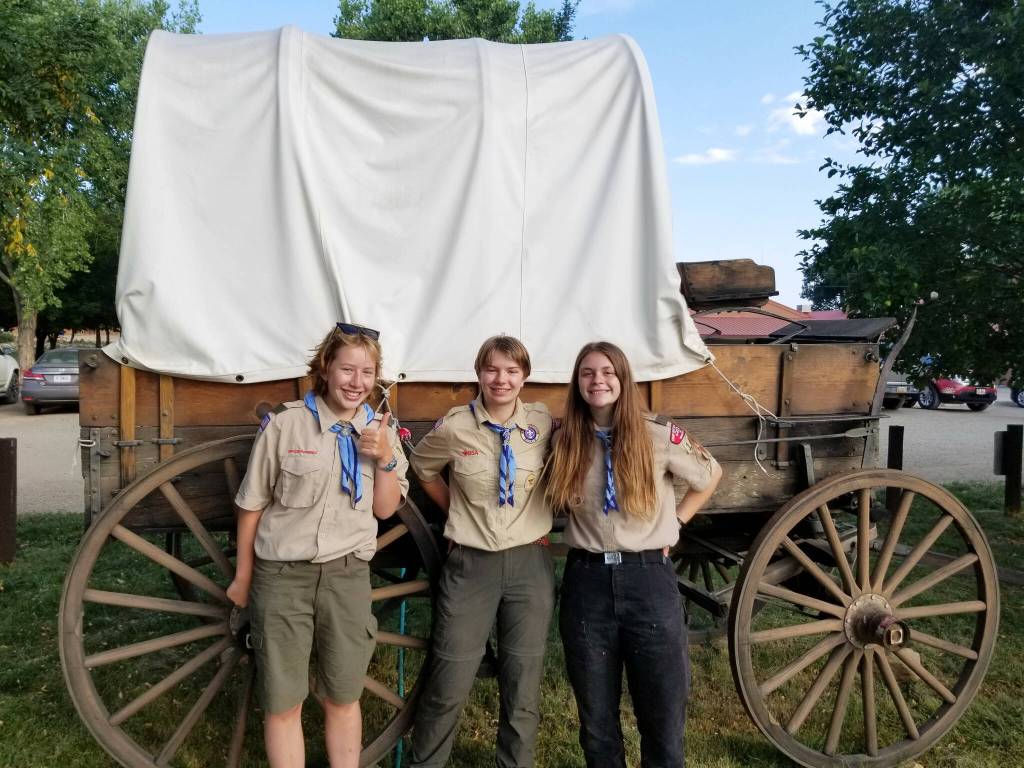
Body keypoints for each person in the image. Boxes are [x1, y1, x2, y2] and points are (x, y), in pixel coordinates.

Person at [226, 323, 409, 768]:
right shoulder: (287, 425)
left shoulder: (382, 430)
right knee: (283, 701)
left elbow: (385, 510)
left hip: (346, 577)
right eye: (347, 369)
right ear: (325, 369)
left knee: (343, 695)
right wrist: (244, 577)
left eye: (367, 373)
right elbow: (252, 506)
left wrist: (383, 456)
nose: (356, 382)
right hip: (283, 576)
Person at [546, 341, 722, 768]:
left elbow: (710, 473)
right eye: (587, 373)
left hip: (647, 580)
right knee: (597, 720)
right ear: (578, 382)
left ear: (624, 379)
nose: (597, 381)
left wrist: (677, 522)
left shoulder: (657, 433)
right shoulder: (564, 439)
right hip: (586, 583)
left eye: (607, 372)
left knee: (661, 711)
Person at [409, 335, 555, 768]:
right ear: (479, 373)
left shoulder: (542, 423)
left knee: (523, 686)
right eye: (492, 369)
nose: (501, 379)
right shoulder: (455, 427)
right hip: (471, 566)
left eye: (511, 371)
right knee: (448, 681)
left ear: (524, 376)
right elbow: (423, 467)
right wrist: (456, 509)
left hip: (529, 565)